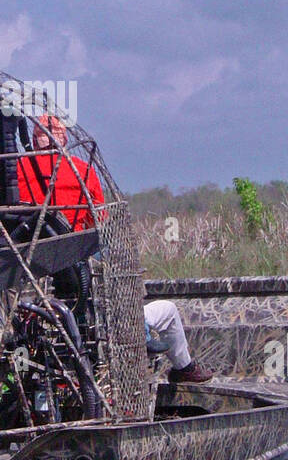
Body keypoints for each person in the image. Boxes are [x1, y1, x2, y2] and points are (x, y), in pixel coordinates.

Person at [16, 114, 213, 382]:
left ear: (34, 139)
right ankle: (144, 332)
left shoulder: (17, 170)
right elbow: (99, 220)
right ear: (60, 139)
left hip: (35, 259)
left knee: (112, 263)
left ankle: (135, 322)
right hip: (73, 253)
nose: (53, 136)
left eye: (53, 131)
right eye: (51, 131)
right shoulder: (78, 168)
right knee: (122, 270)